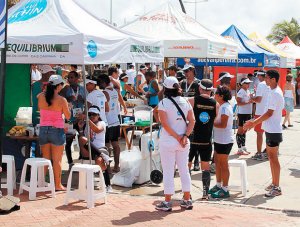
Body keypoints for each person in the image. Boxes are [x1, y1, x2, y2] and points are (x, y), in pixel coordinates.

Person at [155, 77, 195, 211]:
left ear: (165, 88)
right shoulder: (186, 101)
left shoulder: (163, 103)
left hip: (168, 141)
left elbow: (164, 124)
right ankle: (187, 199)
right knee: (184, 169)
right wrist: (184, 136)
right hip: (183, 142)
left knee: (168, 171)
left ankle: (167, 202)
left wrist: (178, 137)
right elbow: (192, 121)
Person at [244, 70, 284, 197]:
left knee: (273, 159)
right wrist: (254, 121)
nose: (264, 80)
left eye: (266, 78)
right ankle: (274, 183)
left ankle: (277, 187)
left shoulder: (275, 93)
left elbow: (269, 113)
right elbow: (267, 112)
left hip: (273, 130)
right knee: (271, 159)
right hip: (271, 129)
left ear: (273, 79)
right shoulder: (272, 91)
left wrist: (254, 123)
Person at [38, 75, 71, 191]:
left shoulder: (41, 96)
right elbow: (68, 116)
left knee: (45, 158)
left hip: (43, 129)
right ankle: (57, 185)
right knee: (57, 160)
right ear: (58, 86)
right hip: (56, 130)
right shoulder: (62, 100)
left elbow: (41, 100)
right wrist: (68, 108)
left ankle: (41, 183)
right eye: (61, 84)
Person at [188, 79, 218, 200]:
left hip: (192, 138)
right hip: (206, 139)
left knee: (187, 165)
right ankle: (205, 193)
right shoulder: (216, 104)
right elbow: (215, 121)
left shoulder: (191, 101)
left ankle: (187, 193)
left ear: (199, 89)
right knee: (205, 167)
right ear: (211, 90)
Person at [78, 106, 112, 192]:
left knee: (100, 161)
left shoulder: (102, 123)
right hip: (89, 150)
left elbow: (97, 130)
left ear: (98, 115)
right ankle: (103, 156)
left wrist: (87, 120)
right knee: (82, 139)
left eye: (94, 114)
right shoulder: (87, 125)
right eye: (89, 114)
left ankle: (108, 185)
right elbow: (85, 139)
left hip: (100, 149)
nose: (92, 116)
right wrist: (81, 128)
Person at [208, 85, 234, 199]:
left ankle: (225, 189)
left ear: (221, 96)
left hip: (225, 140)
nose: (214, 95)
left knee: (223, 165)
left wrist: (210, 122)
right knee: (217, 163)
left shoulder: (225, 108)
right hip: (219, 140)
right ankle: (218, 185)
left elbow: (223, 125)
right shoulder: (221, 106)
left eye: (216, 94)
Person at [60, 71, 85, 168]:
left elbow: (88, 102)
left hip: (80, 118)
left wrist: (82, 100)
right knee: (69, 140)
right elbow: (59, 99)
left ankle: (82, 157)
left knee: (82, 139)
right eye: (68, 78)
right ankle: (70, 162)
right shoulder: (66, 89)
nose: (69, 79)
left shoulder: (83, 89)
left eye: (71, 77)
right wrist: (68, 98)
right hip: (69, 118)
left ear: (77, 78)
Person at [98, 74, 123, 172]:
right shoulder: (115, 91)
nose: (99, 84)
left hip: (108, 122)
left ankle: (107, 168)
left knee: (107, 145)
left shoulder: (104, 92)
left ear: (104, 82)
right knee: (116, 144)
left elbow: (105, 108)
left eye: (100, 82)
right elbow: (118, 86)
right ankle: (116, 166)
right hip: (116, 120)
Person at [180, 64, 200, 171]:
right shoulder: (182, 83)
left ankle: (196, 161)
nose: (186, 73)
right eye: (184, 72)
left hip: (193, 114)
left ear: (192, 71)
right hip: (182, 114)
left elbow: (199, 99)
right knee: (184, 136)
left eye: (187, 71)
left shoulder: (198, 83)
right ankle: (186, 161)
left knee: (195, 139)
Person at [250, 70, 270, 161]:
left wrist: (252, 98)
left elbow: (258, 99)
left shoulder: (261, 85)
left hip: (260, 112)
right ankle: (268, 152)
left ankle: (259, 153)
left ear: (259, 76)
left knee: (259, 134)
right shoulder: (270, 85)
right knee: (268, 133)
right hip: (268, 112)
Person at [236, 77, 253, 155]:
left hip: (248, 113)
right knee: (240, 131)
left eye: (249, 83)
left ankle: (243, 147)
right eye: (246, 83)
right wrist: (248, 102)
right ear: (242, 84)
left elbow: (249, 101)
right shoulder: (241, 91)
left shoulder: (248, 90)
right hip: (242, 113)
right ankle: (239, 149)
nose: (248, 84)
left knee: (245, 130)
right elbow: (238, 103)